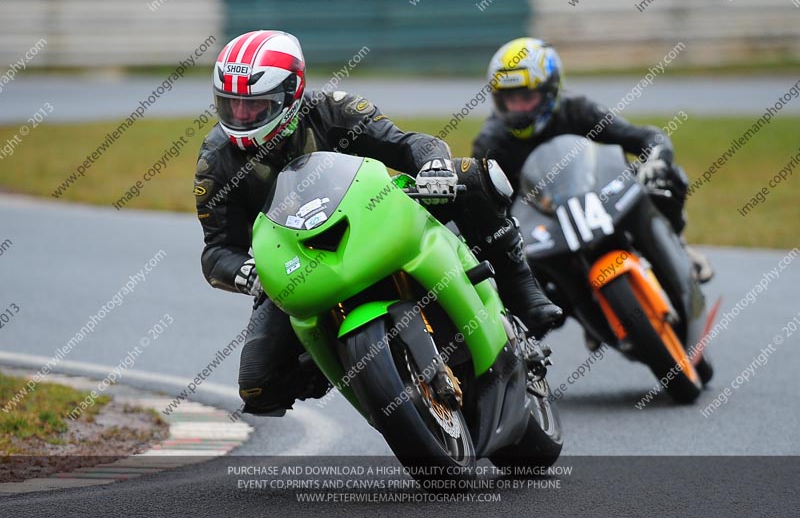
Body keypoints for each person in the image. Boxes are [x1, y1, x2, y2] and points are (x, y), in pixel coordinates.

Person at [193, 30, 563, 417]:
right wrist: (247, 272)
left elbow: (407, 143)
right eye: (231, 105)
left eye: (255, 107)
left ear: (291, 93)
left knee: (474, 176)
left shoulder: (333, 111)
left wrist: (432, 166)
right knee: (256, 385)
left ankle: (523, 288)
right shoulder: (216, 161)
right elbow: (217, 250)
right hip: (300, 260)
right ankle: (343, 365)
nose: (242, 117)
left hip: (371, 213)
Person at [472, 38, 713, 283]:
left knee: (667, 178)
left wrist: (655, 162)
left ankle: (675, 244)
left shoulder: (577, 110)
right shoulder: (490, 143)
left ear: (551, 89)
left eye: (526, 97)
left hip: (598, 200)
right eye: (509, 100)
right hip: (541, 230)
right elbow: (482, 206)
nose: (518, 109)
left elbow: (646, 137)